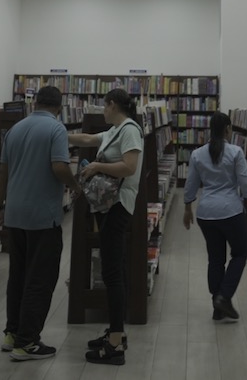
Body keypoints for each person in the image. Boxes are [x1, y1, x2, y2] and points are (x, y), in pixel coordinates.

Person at [0, 85, 81, 362]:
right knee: (40, 279)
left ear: (35, 103)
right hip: (42, 216)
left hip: (15, 214)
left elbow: (3, 171)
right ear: (59, 107)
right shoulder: (56, 129)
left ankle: (12, 333)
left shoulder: (15, 130)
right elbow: (59, 166)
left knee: (18, 276)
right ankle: (27, 342)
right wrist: (75, 185)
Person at [68, 88, 143, 366]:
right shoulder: (114, 131)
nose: (102, 111)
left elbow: (129, 167)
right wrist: (59, 134)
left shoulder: (130, 130)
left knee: (112, 273)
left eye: (104, 106)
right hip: (109, 206)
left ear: (112, 105)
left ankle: (115, 344)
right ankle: (115, 332)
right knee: (114, 269)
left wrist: (97, 166)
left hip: (118, 205)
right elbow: (88, 138)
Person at [182, 111, 247, 323]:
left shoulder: (197, 154)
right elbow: (244, 181)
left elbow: (191, 184)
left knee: (215, 259)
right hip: (231, 211)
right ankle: (224, 296)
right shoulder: (235, 152)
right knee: (240, 253)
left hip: (206, 213)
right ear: (227, 129)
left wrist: (187, 208)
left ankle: (217, 306)